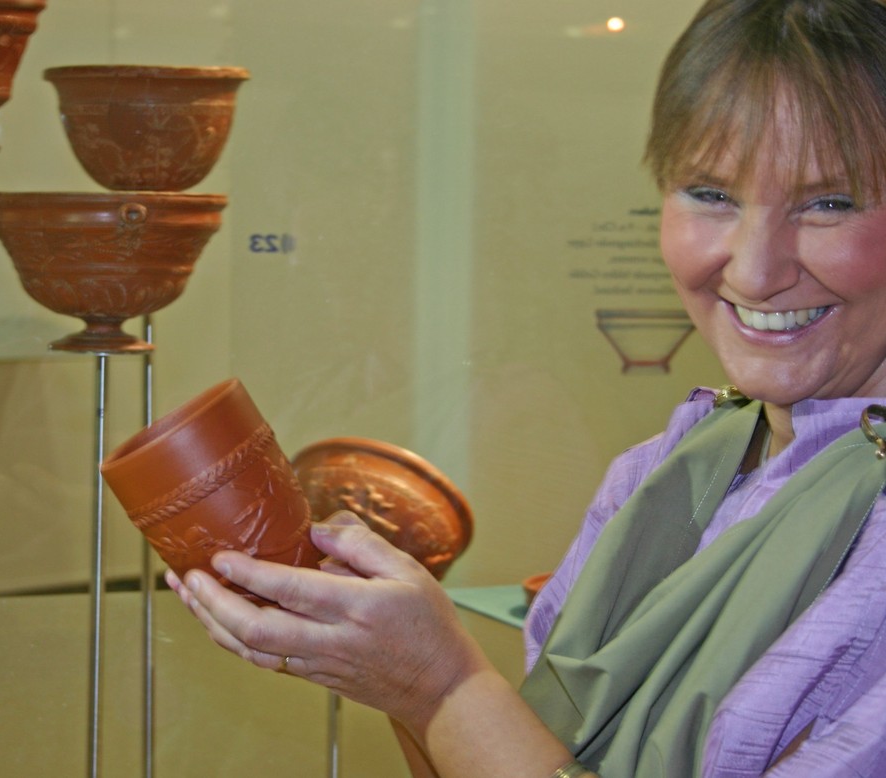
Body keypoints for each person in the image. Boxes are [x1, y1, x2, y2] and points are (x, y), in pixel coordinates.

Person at [165, 0, 886, 775]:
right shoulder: (661, 469)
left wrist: (442, 683)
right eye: (710, 194)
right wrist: (402, 674)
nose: (752, 270)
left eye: (829, 204)